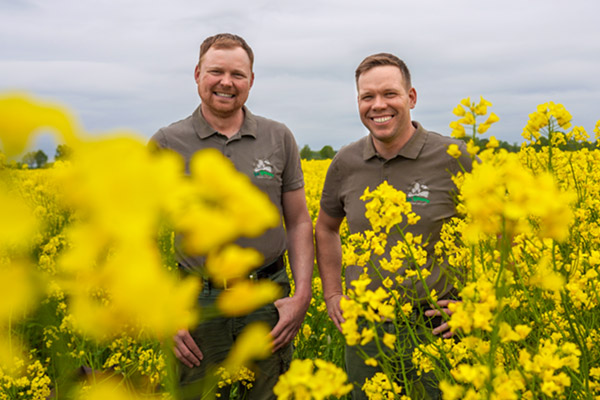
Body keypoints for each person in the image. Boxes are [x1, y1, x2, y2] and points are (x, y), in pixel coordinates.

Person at [149, 33, 314, 400]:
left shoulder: (278, 136)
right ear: (197, 74)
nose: (227, 82)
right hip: (198, 305)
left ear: (251, 80)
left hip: (268, 299)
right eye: (216, 71)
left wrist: (302, 295)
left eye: (238, 74)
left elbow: (300, 220)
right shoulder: (166, 143)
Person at [314, 53, 473, 399]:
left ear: (411, 98)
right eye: (367, 97)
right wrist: (332, 294)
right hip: (367, 330)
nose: (378, 105)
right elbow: (325, 227)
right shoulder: (346, 162)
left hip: (437, 326)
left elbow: (500, 232)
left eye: (390, 94)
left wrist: (475, 305)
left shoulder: (453, 156)